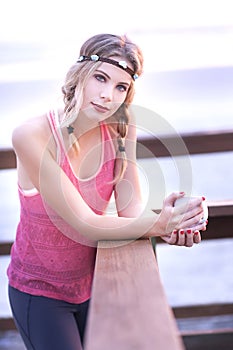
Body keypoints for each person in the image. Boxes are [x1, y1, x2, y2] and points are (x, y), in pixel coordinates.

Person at [7, 33, 207, 350]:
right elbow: (83, 221)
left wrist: (172, 221)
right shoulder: (31, 135)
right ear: (80, 75)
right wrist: (159, 224)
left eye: (120, 87)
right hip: (40, 294)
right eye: (101, 78)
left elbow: (130, 211)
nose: (107, 96)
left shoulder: (120, 129)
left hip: (94, 284)